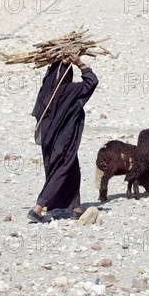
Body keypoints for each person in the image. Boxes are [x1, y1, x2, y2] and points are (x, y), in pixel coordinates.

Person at [27, 54, 98, 223]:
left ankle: (76, 207)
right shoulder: (70, 91)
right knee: (60, 170)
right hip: (64, 140)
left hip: (47, 140)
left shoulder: (45, 90)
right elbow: (92, 81)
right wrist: (80, 63)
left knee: (72, 168)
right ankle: (38, 209)